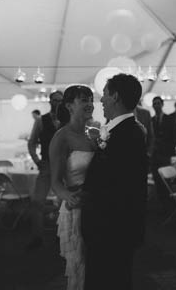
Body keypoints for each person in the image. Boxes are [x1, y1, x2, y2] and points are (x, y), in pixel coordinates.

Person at [82, 73, 148, 290]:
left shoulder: (127, 133)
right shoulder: (122, 130)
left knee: (108, 280)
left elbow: (111, 184)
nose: (101, 100)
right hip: (114, 227)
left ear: (116, 97)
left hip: (110, 229)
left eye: (105, 94)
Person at [49, 85, 95, 290]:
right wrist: (68, 196)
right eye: (83, 100)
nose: (90, 104)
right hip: (77, 207)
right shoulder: (61, 137)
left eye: (91, 99)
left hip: (97, 203)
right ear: (69, 105)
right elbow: (56, 182)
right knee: (80, 265)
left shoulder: (95, 134)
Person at [26, 90, 63, 249]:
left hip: (63, 167)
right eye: (55, 100)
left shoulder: (70, 121)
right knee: (37, 201)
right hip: (46, 165)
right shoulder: (41, 120)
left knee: (65, 203)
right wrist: (36, 160)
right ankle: (37, 237)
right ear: (50, 102)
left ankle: (62, 236)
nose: (58, 103)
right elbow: (32, 142)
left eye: (60, 100)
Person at [151, 96, 176, 206]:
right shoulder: (151, 120)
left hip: (166, 154)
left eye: (158, 103)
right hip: (155, 155)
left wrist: (169, 149)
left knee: (166, 180)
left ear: (162, 104)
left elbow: (175, 136)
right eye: (155, 103)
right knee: (157, 179)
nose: (156, 105)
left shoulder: (169, 119)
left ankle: (169, 203)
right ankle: (160, 204)